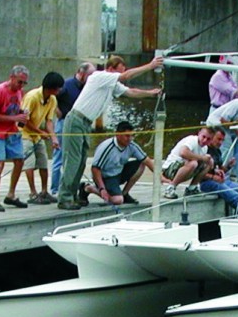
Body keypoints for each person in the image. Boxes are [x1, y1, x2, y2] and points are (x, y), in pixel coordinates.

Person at [58, 54, 164, 210]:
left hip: (85, 123)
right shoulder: (100, 76)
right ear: (110, 69)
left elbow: (131, 92)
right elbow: (125, 76)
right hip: (76, 120)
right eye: (119, 71)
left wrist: (151, 93)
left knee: (80, 162)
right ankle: (64, 197)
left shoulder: (111, 84)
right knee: (72, 161)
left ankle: (73, 194)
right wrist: (150, 65)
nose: (121, 75)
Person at [0, 65, 31, 212]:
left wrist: (22, 114)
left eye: (24, 83)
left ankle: (11, 194)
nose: (21, 86)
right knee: (0, 163)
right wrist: (14, 117)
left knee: (19, 160)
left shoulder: (19, 92)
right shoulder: (0, 90)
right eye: (19, 82)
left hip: (11, 130)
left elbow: (14, 109)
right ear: (12, 78)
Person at [49, 62, 95, 196]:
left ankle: (70, 188)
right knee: (60, 156)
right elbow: (52, 97)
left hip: (79, 124)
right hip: (64, 123)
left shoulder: (87, 87)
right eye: (90, 75)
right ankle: (55, 189)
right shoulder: (67, 85)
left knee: (75, 157)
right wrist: (58, 112)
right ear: (81, 73)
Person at [85, 120, 153, 206]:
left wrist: (161, 177)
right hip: (106, 176)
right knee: (117, 200)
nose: (130, 139)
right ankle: (89, 188)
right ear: (118, 134)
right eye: (127, 136)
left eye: (132, 136)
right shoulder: (107, 147)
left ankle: (125, 193)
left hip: (119, 171)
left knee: (142, 163)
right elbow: (95, 168)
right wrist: (102, 188)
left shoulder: (131, 145)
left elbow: (146, 160)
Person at [20, 71, 64, 204]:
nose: (59, 90)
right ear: (51, 88)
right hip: (24, 133)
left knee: (43, 161)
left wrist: (53, 138)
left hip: (37, 135)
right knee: (29, 163)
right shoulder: (32, 97)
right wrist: (40, 131)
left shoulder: (52, 100)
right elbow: (24, 120)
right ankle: (33, 193)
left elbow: (49, 121)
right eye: (58, 88)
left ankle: (44, 191)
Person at [161, 126, 215, 199]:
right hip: (170, 169)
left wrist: (210, 162)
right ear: (199, 134)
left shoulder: (205, 148)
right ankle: (170, 188)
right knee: (193, 163)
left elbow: (203, 162)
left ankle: (192, 188)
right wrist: (202, 158)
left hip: (182, 169)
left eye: (208, 139)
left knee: (207, 162)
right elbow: (183, 153)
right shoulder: (192, 140)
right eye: (203, 137)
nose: (205, 140)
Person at [199, 126, 238, 211]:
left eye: (222, 140)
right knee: (234, 196)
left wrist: (229, 166)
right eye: (218, 139)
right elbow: (198, 174)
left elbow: (221, 170)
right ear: (212, 137)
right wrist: (213, 177)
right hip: (207, 183)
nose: (220, 142)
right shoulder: (204, 151)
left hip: (220, 180)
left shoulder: (217, 151)